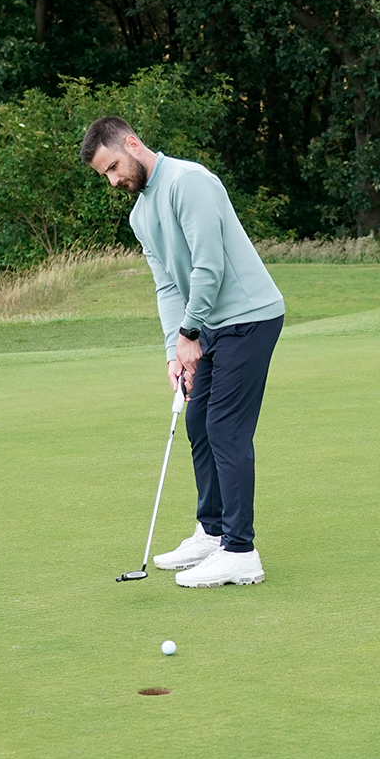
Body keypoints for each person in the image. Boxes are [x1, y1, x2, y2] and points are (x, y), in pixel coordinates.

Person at [82, 117, 286, 587]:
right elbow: (168, 285)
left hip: (249, 316)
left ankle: (240, 551)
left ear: (132, 144)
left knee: (224, 427)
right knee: (198, 421)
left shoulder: (189, 183)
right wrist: (175, 350)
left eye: (114, 167)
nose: (114, 181)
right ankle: (212, 532)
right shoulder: (139, 215)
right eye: (106, 176)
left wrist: (191, 332)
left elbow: (208, 265)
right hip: (209, 323)